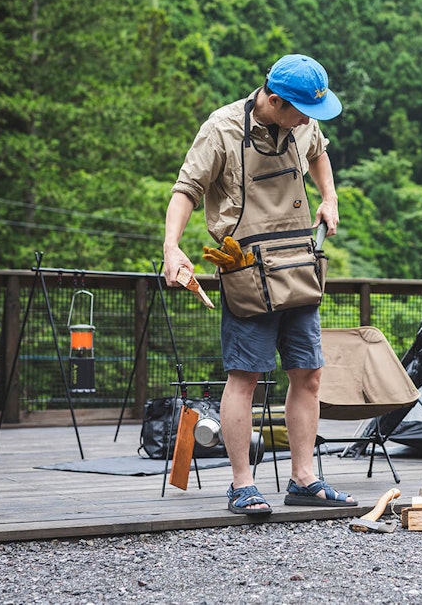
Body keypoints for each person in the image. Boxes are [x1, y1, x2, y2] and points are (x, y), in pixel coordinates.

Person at [162, 54, 356, 516]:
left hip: (299, 265)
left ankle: (304, 479)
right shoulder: (222, 128)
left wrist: (328, 197)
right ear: (273, 99)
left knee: (308, 375)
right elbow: (185, 190)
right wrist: (172, 248)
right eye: (301, 111)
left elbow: (319, 152)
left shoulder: (302, 123)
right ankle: (242, 484)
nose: (307, 121)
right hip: (247, 267)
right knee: (245, 377)